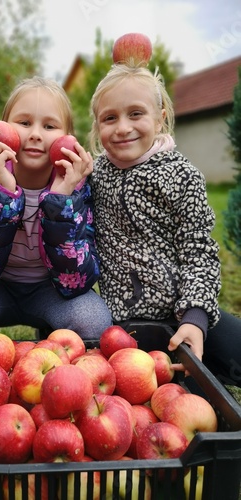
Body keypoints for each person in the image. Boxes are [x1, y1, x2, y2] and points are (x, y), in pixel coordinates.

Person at [88, 63, 241, 386]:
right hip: (122, 323)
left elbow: (199, 252)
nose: (122, 128)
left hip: (182, 312)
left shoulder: (182, 176)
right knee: (165, 396)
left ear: (161, 116)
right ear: (97, 125)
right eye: (110, 118)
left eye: (136, 114)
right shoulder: (93, 176)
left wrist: (196, 318)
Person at [0, 76, 113, 341]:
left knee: (93, 321)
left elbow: (79, 282)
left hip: (51, 291)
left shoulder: (77, 186)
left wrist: (60, 201)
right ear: (3, 127)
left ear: (67, 137)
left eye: (49, 126)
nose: (35, 134)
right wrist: (2, 189)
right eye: (24, 123)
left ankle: (53, 338)